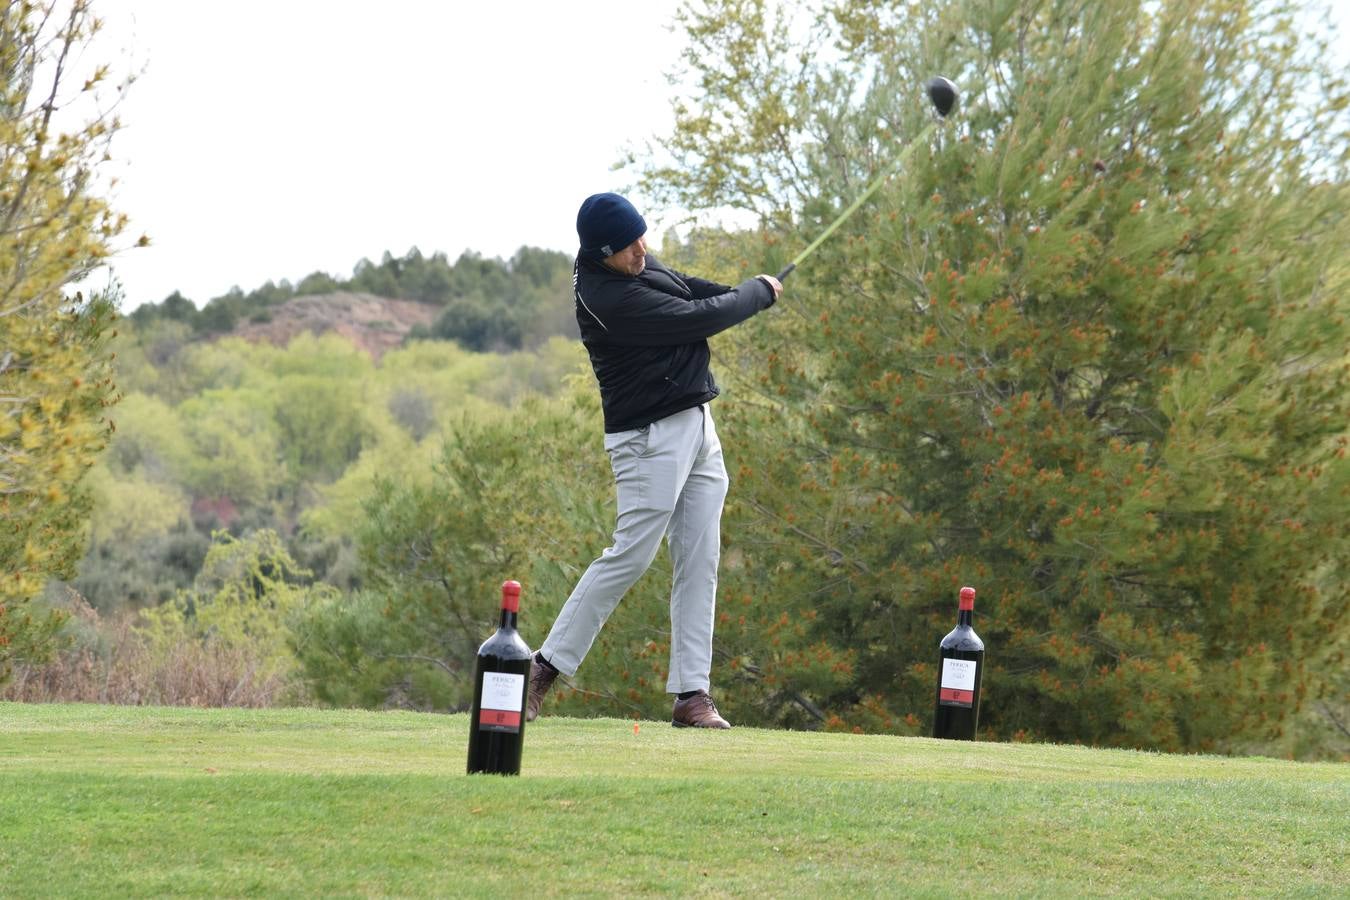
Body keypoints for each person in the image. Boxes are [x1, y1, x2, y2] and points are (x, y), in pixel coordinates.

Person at [526, 192, 782, 729]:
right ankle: (542, 670)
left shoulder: (633, 257)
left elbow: (689, 289)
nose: (642, 249)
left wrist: (745, 292)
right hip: (647, 440)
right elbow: (694, 319)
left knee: (700, 556)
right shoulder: (609, 300)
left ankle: (692, 695)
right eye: (628, 246)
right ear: (601, 254)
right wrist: (754, 296)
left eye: (642, 235)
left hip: (694, 424)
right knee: (630, 556)